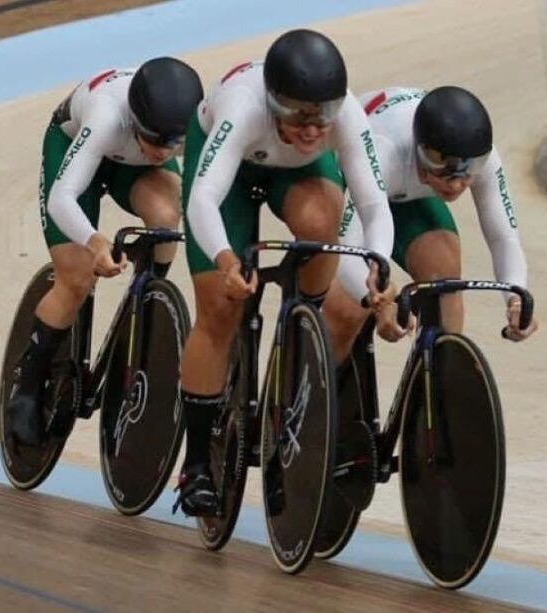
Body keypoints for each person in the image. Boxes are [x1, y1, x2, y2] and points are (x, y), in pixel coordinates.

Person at [175, 29, 396, 516]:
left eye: (322, 114)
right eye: (297, 113)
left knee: (325, 219)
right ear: (273, 100)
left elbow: (374, 205)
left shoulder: (346, 118)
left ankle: (304, 326)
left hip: (294, 173)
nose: (313, 127)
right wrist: (227, 261)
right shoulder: (242, 110)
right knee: (218, 308)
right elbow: (204, 200)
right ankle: (195, 464)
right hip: (227, 174)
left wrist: (377, 265)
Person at [7, 57, 204, 446]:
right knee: (77, 276)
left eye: (175, 143)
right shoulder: (106, 116)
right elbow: (62, 200)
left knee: (166, 220)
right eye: (157, 140)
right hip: (75, 150)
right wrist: (96, 243)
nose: (165, 153)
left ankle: (145, 302)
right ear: (136, 122)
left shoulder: (178, 125)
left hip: (129, 164)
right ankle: (27, 386)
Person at [324, 85, 539, 364]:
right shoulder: (385, 150)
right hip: (361, 184)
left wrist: (516, 298)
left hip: (406, 190)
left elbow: (504, 239)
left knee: (445, 277)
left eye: (468, 172)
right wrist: (377, 302)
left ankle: (435, 389)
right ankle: (310, 399)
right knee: (346, 308)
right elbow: (347, 248)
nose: (458, 182)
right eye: (444, 167)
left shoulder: (479, 157)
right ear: (420, 151)